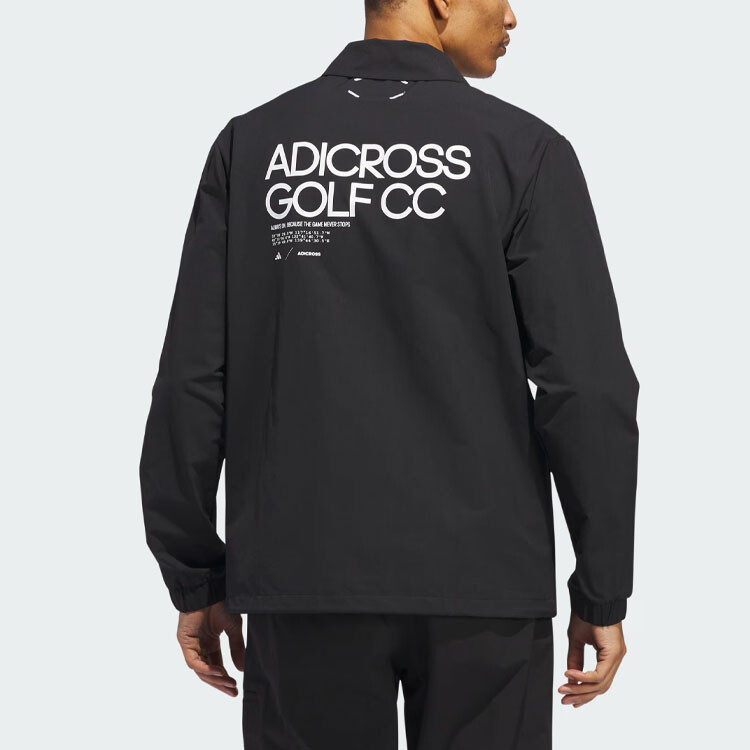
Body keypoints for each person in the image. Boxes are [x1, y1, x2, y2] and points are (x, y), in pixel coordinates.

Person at [140, 0, 639, 747]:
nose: (511, 15)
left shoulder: (255, 145)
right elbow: (588, 387)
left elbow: (192, 379)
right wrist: (601, 588)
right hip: (484, 585)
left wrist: (196, 576)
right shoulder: (523, 150)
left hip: (303, 577)